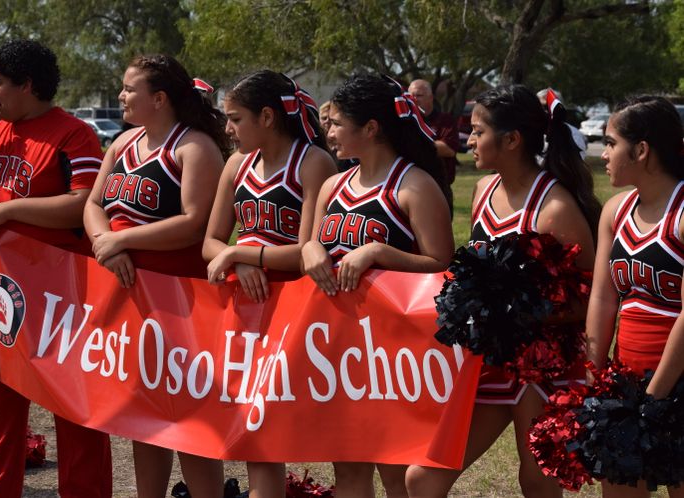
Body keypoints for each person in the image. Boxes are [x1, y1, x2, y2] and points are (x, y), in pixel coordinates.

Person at [406, 84, 600, 498]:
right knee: (423, 479)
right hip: (489, 360)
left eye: (477, 131)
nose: (469, 140)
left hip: (542, 366)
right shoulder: (482, 191)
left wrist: (517, 310)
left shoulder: (555, 209)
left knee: (536, 484)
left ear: (511, 140)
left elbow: (592, 300)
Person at [0, 39, 112, 498]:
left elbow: (84, 204)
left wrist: (12, 210)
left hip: (58, 293)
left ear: (28, 85)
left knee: (74, 406)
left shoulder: (73, 133)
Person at [301, 73, 454, 498]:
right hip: (338, 347)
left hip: (394, 355)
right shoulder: (333, 184)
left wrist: (379, 253)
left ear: (370, 128)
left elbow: (443, 264)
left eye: (335, 122)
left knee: (395, 473)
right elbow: (312, 245)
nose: (327, 131)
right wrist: (310, 251)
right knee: (348, 470)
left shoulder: (414, 185)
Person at [83, 54, 228, 498]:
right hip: (127, 299)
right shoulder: (121, 143)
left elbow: (195, 223)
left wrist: (124, 242)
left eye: (129, 89)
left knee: (191, 425)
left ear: (159, 98)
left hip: (182, 306)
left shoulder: (194, 147)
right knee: (142, 419)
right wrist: (106, 243)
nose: (121, 96)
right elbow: (93, 205)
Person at [202, 69, 336, 497]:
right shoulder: (236, 164)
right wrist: (236, 262)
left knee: (284, 429)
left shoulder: (313, 162)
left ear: (266, 117)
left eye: (235, 118)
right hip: (243, 312)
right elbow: (209, 241)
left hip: (297, 313)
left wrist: (243, 253)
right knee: (254, 434)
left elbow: (309, 252)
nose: (227, 127)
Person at [586, 96, 684, 498]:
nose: (605, 153)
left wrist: (655, 396)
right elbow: (603, 298)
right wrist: (594, 372)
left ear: (641, 150)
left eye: (611, 143)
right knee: (620, 490)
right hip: (626, 380)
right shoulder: (614, 211)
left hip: (675, 382)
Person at [408, 79, 459, 213]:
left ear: (431, 97)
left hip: (439, 187)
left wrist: (413, 144)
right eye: (410, 96)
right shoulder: (405, 122)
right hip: (410, 187)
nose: (414, 99)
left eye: (419, 95)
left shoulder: (445, 120)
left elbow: (448, 149)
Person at [536, 88, 587, 159]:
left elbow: (574, 165)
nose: (544, 112)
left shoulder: (573, 135)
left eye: (547, 107)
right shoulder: (532, 133)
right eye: (539, 107)